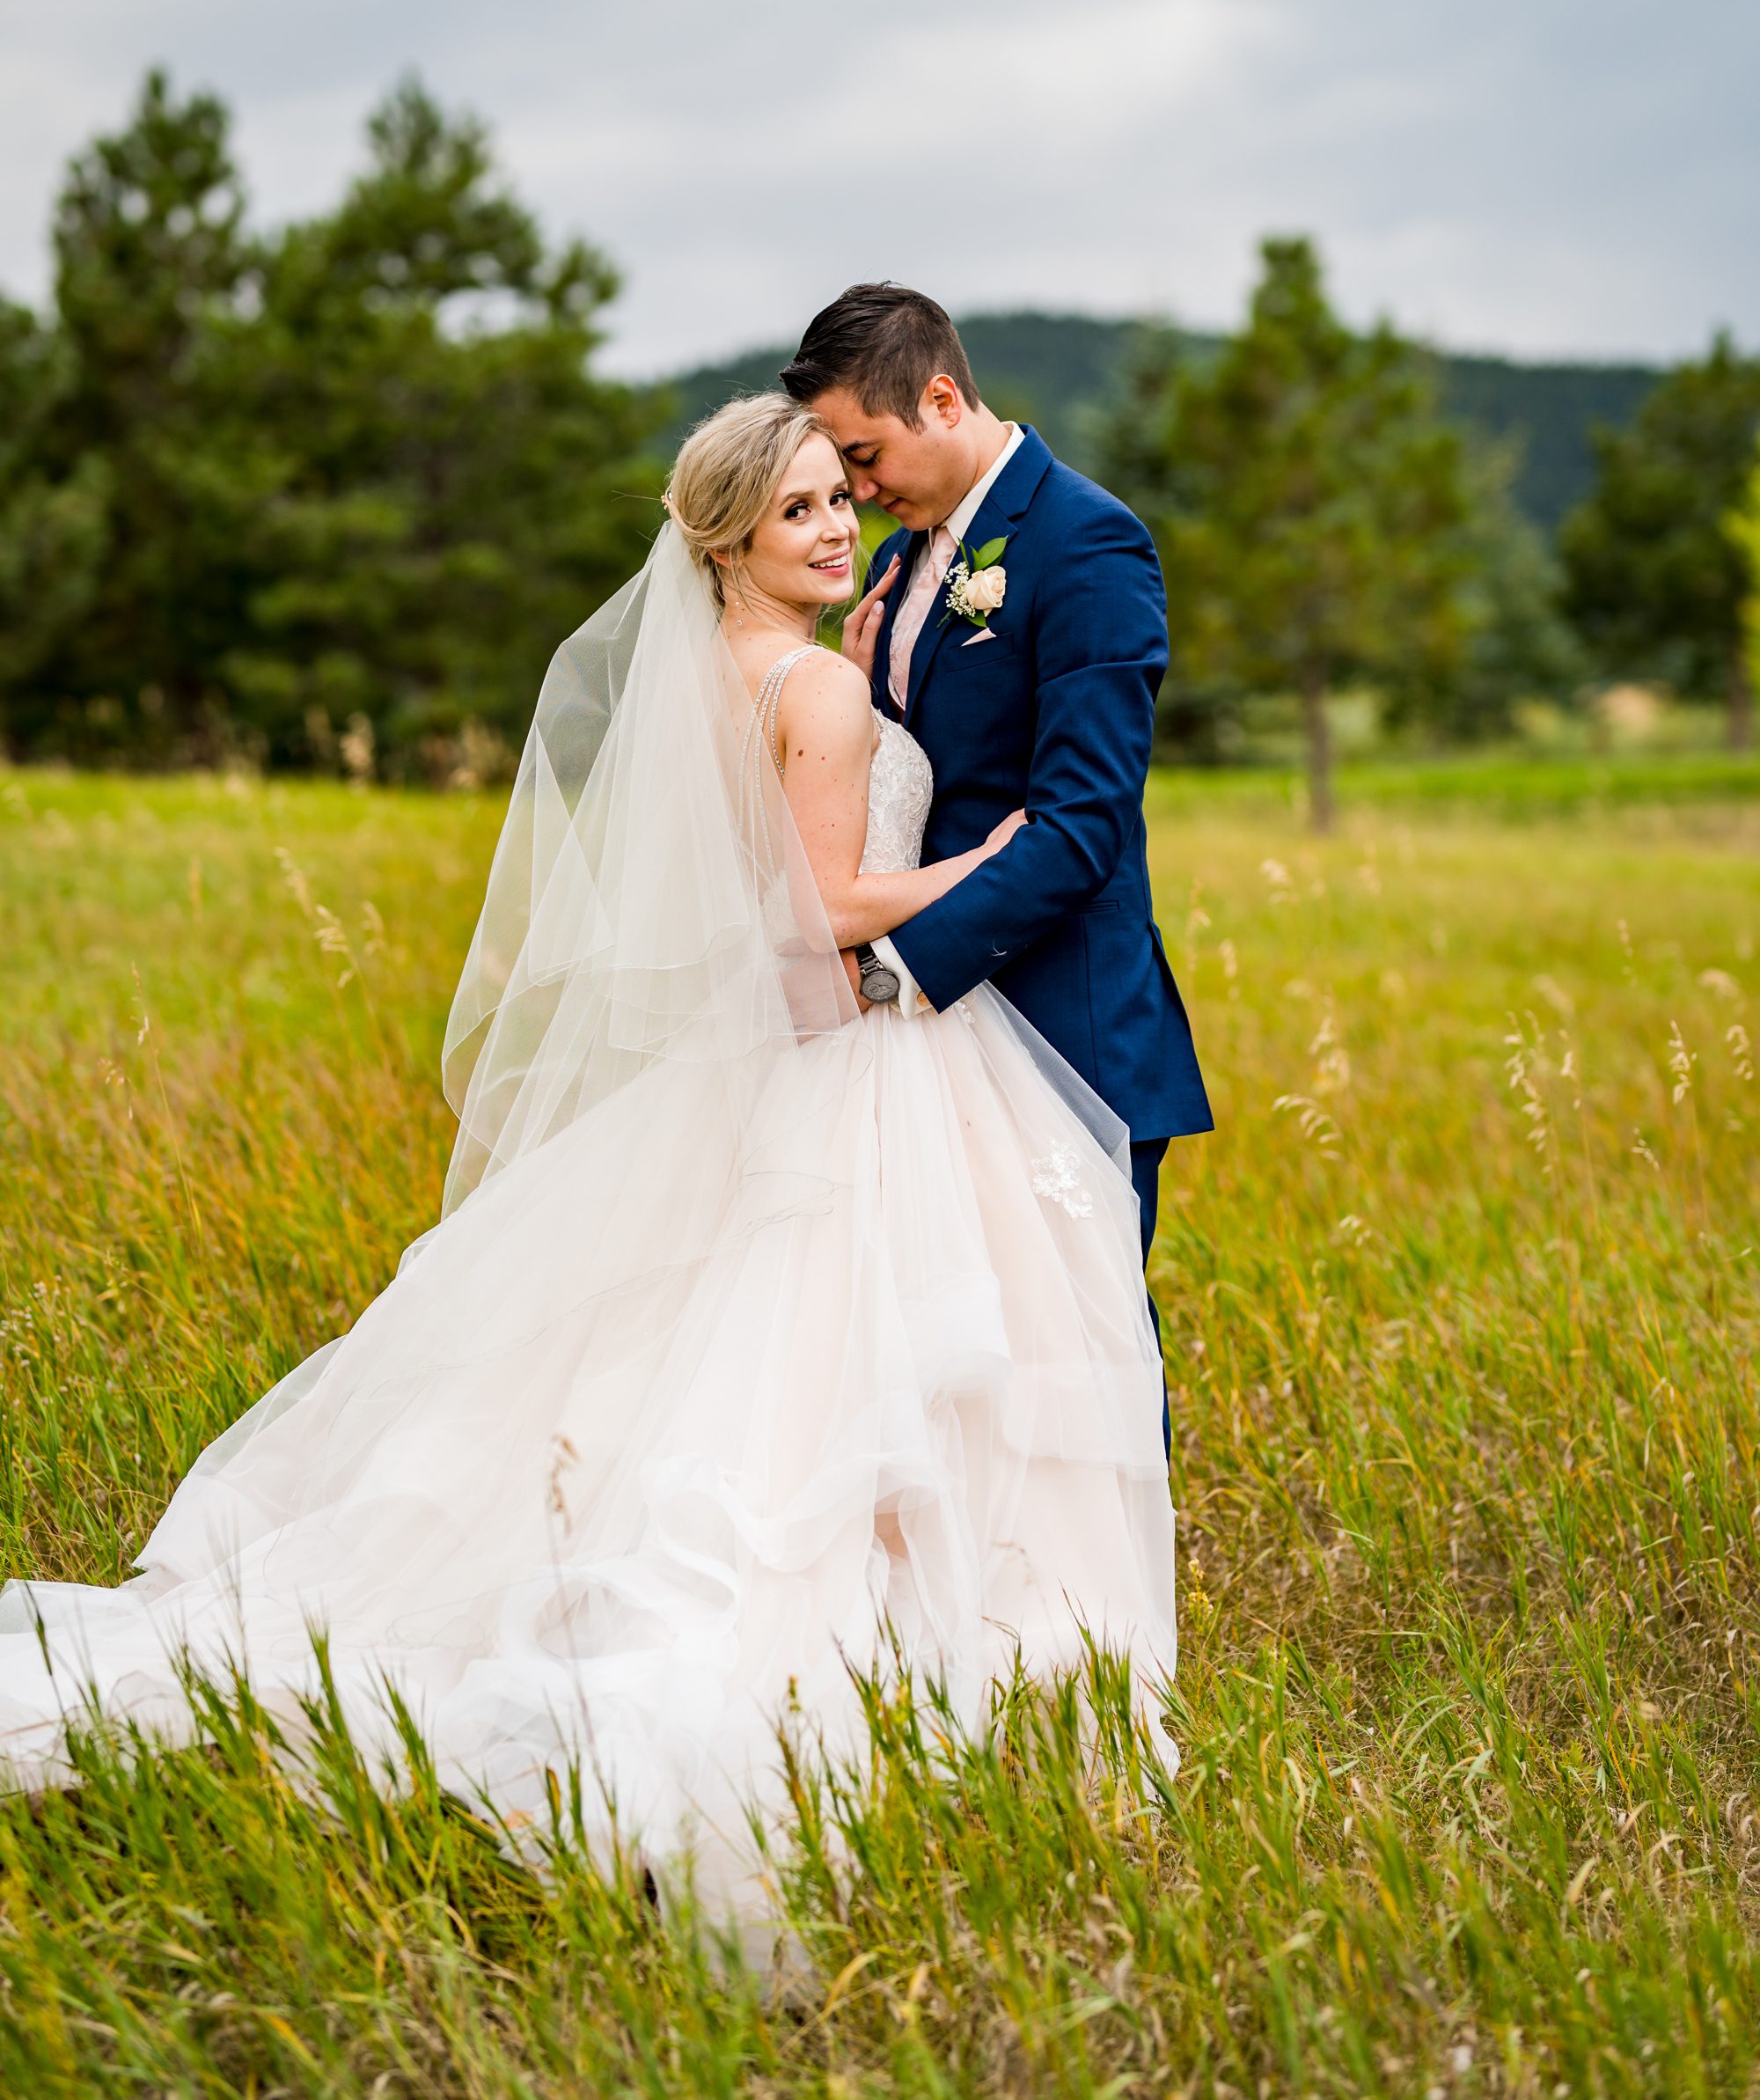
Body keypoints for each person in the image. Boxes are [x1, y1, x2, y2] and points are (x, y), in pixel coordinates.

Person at [0, 393, 1176, 1917]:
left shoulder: (717, 675)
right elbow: (813, 913)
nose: (842, 528)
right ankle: (914, 1647)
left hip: (780, 1063)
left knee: (768, 1355)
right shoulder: (814, 691)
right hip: (859, 1057)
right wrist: (993, 858)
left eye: (844, 499)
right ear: (733, 539)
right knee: (863, 1361)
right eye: (805, 511)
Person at [781, 284, 1212, 1393]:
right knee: (946, 1365)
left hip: (1061, 1022)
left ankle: (1107, 1580)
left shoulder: (1086, 542)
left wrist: (887, 971)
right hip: (928, 1061)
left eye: (866, 458)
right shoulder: (891, 563)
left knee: (1081, 1362)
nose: (857, 494)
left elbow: (1081, 824)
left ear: (940, 396)